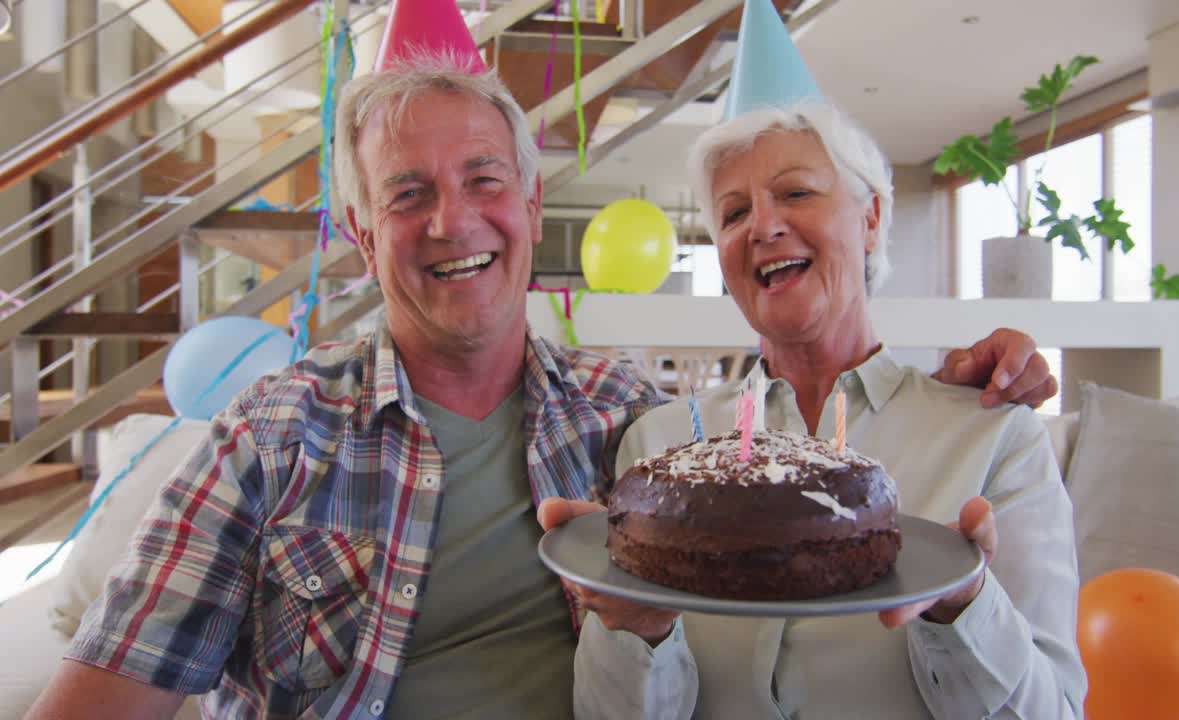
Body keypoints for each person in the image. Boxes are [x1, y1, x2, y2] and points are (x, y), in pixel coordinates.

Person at [26, 55, 1058, 720]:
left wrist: (980, 372)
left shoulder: (626, 421)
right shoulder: (277, 434)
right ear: (355, 236)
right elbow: (107, 690)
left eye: (482, 180)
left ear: (528, 200)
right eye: (406, 194)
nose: (451, 222)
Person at [546, 98, 1086, 720]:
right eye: (734, 212)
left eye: (797, 194)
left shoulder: (988, 435)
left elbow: (1057, 712)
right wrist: (635, 631)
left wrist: (963, 603)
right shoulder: (663, 447)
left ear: (872, 218)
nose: (763, 226)